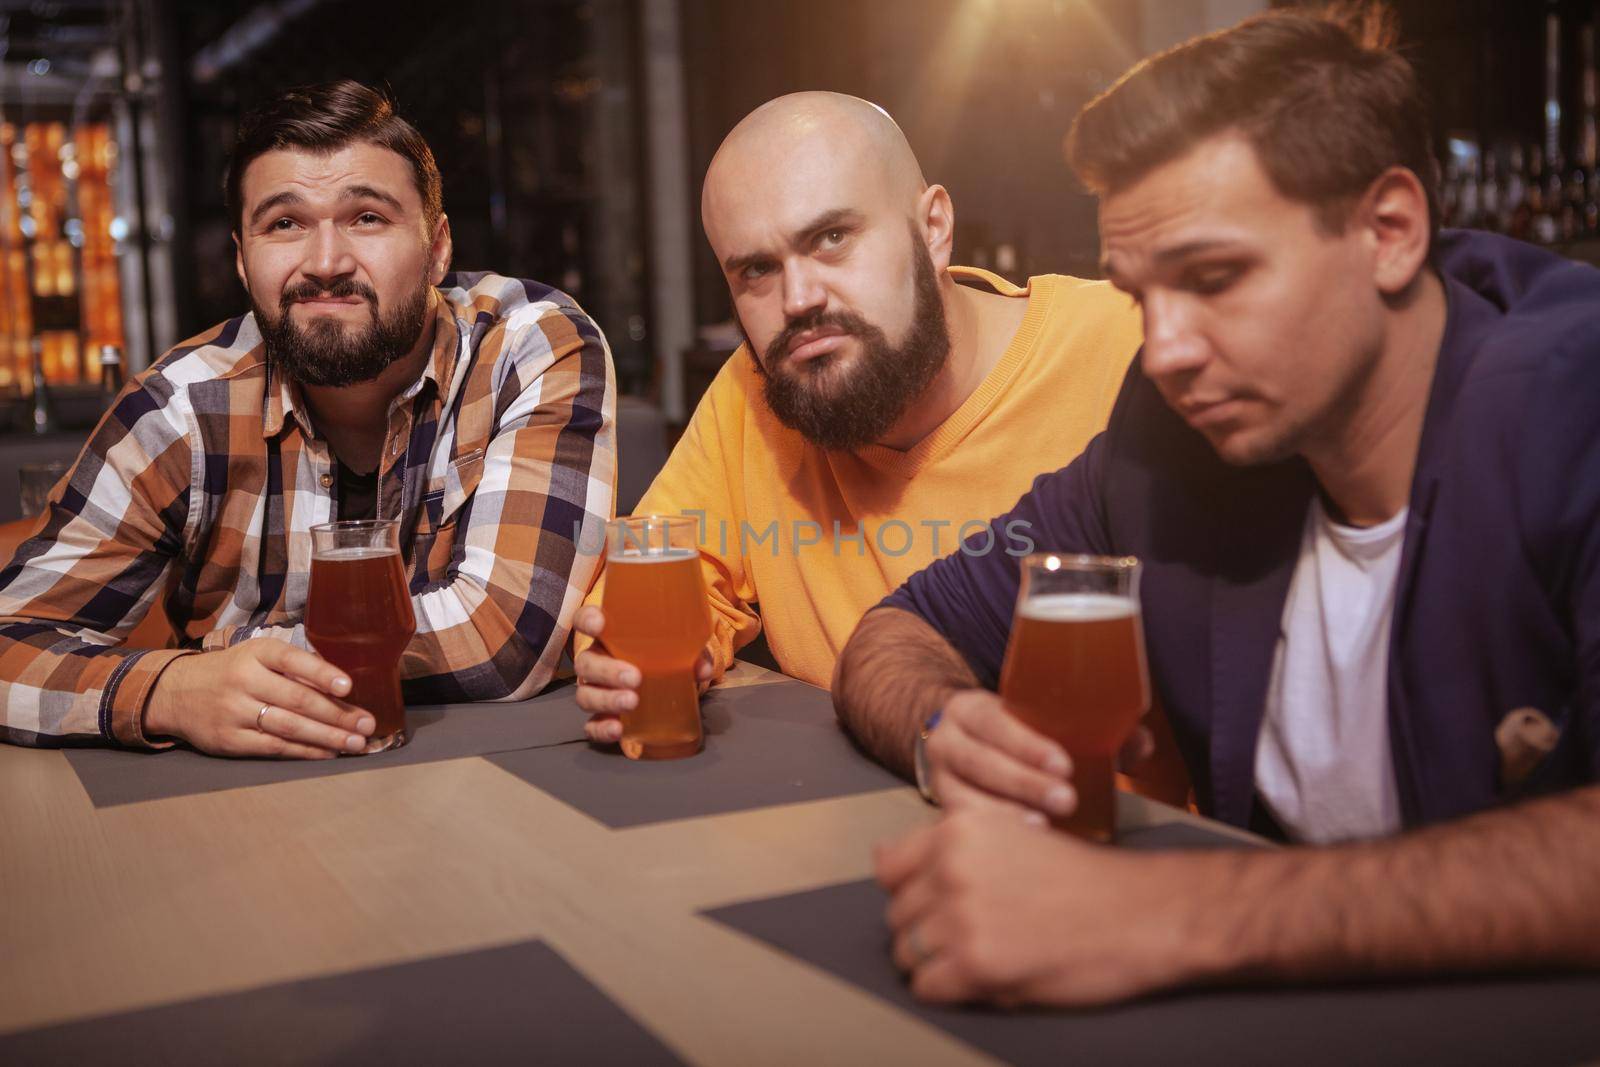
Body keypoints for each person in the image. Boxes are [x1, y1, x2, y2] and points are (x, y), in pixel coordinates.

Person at [834, 7, 1600, 1005]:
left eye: (1215, 276)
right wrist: (946, 728)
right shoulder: (1169, 439)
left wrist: (1166, 910)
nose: (1164, 348)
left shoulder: (1569, 401)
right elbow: (899, 629)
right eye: (1141, 294)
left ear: (1389, 231)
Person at [0, 80, 616, 757]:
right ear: (241, 258)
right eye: (284, 223)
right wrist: (175, 691)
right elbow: (11, 639)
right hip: (231, 810)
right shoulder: (178, 407)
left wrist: (240, 664)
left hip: (490, 783)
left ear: (438, 249)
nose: (326, 263)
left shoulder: (526, 347)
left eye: (367, 217)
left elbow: (504, 633)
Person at [574, 93, 1143, 765]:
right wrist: (639, 660)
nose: (799, 299)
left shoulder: (1133, 342)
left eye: (832, 239)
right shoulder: (755, 392)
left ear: (933, 226)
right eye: (756, 268)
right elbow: (661, 591)